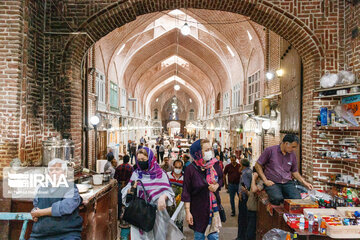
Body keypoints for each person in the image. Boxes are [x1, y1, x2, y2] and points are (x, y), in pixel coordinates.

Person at [121, 147, 175, 239]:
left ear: (150, 159)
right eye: (139, 160)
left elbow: (169, 192)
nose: (141, 162)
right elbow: (126, 189)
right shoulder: (136, 174)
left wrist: (163, 197)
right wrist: (129, 190)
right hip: (139, 214)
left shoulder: (160, 174)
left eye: (143, 160)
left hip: (156, 216)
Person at [30, 158, 83, 240]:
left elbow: (65, 207)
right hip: (40, 235)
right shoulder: (41, 188)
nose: (54, 172)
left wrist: (40, 213)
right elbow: (36, 206)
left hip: (66, 234)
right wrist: (34, 213)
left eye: (57, 169)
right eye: (51, 170)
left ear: (64, 173)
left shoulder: (71, 188)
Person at [182, 139, 224, 240]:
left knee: (214, 236)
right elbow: (186, 191)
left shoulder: (215, 165)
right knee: (199, 236)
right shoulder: (190, 169)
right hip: (198, 211)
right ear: (198, 153)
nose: (210, 152)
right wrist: (188, 212)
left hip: (213, 209)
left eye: (210, 149)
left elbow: (222, 179)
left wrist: (217, 185)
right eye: (206, 150)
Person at [255, 134, 313, 205]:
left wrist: (305, 183)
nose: (294, 149)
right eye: (293, 147)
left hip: (287, 182)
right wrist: (265, 180)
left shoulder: (292, 155)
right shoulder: (270, 150)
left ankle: (289, 215)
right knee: (277, 198)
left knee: (297, 199)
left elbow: (295, 172)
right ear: (286, 143)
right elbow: (258, 165)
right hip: (273, 182)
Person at [167, 160, 185, 232]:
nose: (177, 169)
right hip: (169, 204)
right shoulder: (167, 175)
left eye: (179, 167)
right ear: (173, 167)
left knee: (179, 222)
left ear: (182, 167)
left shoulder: (185, 177)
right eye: (176, 167)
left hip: (180, 205)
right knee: (169, 222)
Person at [114, 155, 134, 220]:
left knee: (119, 200)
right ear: (128, 160)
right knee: (127, 200)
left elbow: (115, 177)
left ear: (123, 159)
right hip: (127, 185)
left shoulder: (118, 167)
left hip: (119, 185)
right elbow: (132, 178)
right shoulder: (130, 168)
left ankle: (118, 215)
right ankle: (126, 216)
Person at [237, 158, 252, 240]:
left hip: (244, 198)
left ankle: (241, 237)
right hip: (246, 197)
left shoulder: (245, 173)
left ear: (242, 165)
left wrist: (241, 194)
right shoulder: (249, 171)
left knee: (242, 218)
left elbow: (244, 187)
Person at [245, 169, 263, 240]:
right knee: (248, 230)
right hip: (249, 209)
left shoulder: (261, 182)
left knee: (250, 233)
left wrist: (253, 179)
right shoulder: (255, 181)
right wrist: (246, 191)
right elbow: (251, 194)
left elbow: (254, 189)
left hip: (254, 212)